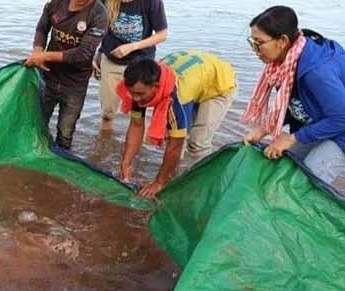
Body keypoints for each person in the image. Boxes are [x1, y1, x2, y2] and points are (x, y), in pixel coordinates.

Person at [242, 6, 345, 185]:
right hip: (322, 121)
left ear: (282, 40)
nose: (255, 50)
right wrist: (264, 129)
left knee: (304, 182)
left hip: (340, 128)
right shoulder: (284, 63)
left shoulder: (317, 71)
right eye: (252, 42)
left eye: (259, 43)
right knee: (281, 167)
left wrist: (292, 138)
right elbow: (298, 104)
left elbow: (341, 117)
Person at [118, 52, 237, 198]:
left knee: (197, 143)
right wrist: (126, 162)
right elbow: (136, 125)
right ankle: (174, 177)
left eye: (140, 94)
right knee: (175, 134)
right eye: (132, 93)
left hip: (219, 84)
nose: (135, 98)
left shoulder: (177, 97)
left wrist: (158, 183)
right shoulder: (139, 86)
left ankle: (199, 189)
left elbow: (175, 146)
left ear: (156, 87)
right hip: (197, 76)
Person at [25, 0, 109, 150]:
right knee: (36, 122)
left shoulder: (99, 15)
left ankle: (61, 160)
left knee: (65, 132)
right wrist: (38, 50)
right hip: (47, 76)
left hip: (75, 84)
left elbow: (83, 54)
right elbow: (42, 29)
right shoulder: (55, 4)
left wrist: (45, 56)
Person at [93, 0, 168, 132]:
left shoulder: (152, 2)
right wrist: (97, 53)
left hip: (140, 64)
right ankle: (104, 148)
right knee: (107, 113)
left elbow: (162, 35)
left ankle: (135, 149)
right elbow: (98, 28)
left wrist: (132, 47)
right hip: (112, 60)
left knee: (137, 116)